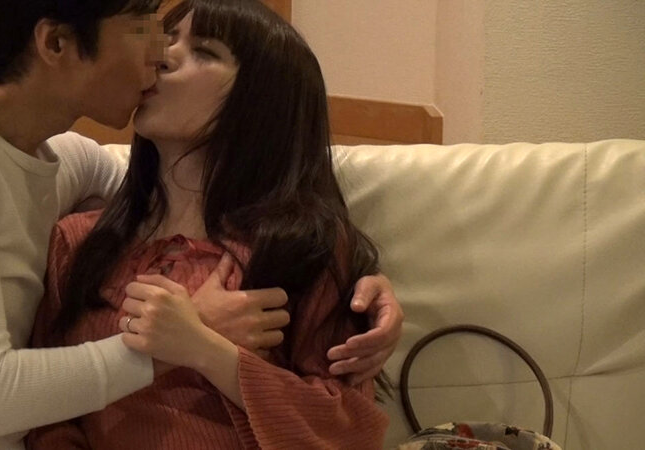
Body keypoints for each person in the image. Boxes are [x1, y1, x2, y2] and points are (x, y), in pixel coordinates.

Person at [0, 0, 400, 448]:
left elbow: (186, 198)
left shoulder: (63, 161)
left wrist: (367, 280)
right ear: (56, 44)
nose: (159, 53)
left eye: (199, 49)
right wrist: (186, 337)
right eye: (144, 26)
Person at [28, 1, 392, 448]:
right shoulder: (79, 242)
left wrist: (207, 351)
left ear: (261, 100)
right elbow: (46, 416)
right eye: (165, 38)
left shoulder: (303, 248)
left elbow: (349, 430)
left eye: (204, 50)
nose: (162, 56)